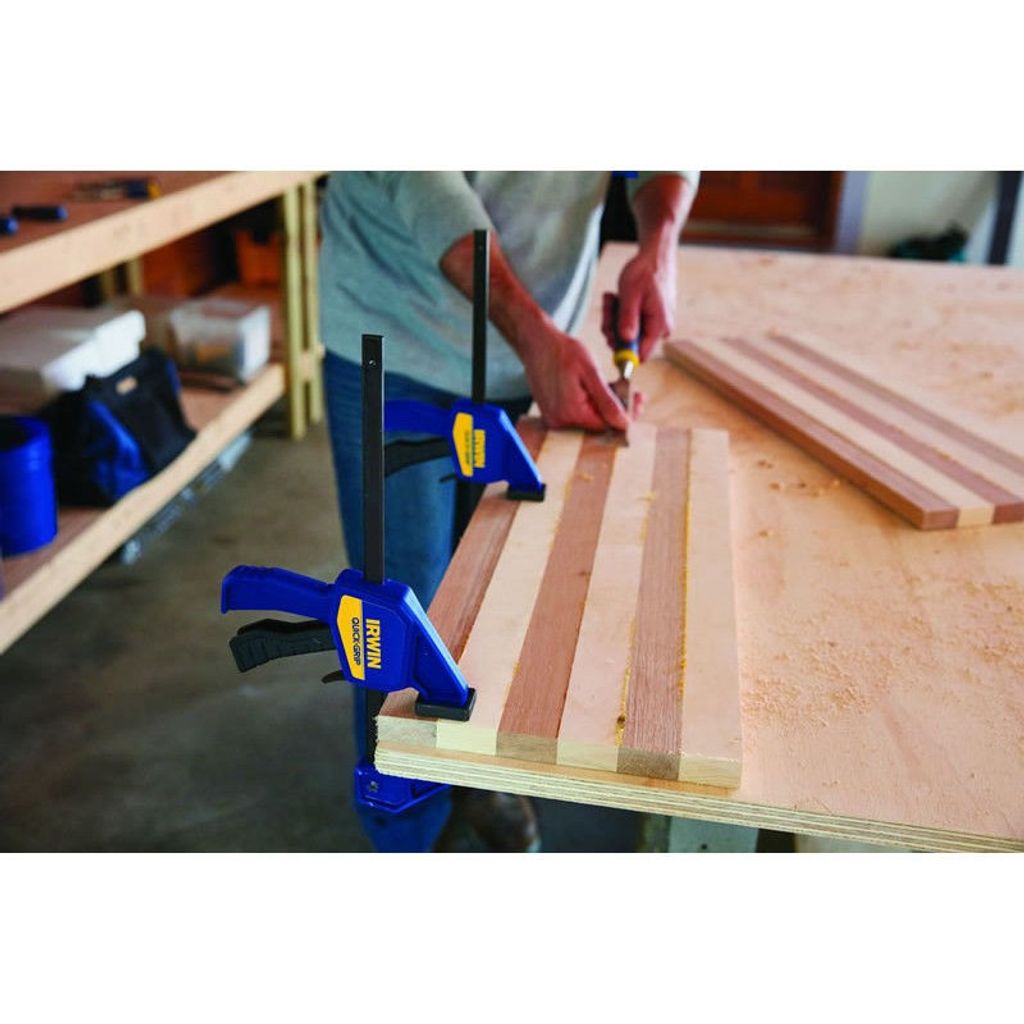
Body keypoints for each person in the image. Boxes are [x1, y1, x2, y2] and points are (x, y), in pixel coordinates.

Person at [319, 172, 698, 852]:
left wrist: (658, 246)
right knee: (401, 616)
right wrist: (535, 338)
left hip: (532, 344)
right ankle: (405, 826)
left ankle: (480, 773)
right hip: (397, 330)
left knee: (501, 592)